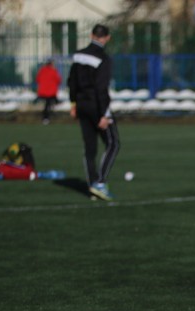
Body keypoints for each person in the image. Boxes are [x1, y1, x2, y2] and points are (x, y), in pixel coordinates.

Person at [68, 24, 120, 201]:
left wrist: (73, 103)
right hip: (96, 105)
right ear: (107, 38)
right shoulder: (103, 58)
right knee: (113, 144)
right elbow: (101, 88)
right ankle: (100, 183)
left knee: (90, 148)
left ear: (91, 35)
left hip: (81, 104)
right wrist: (104, 114)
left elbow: (72, 81)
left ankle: (92, 188)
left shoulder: (78, 55)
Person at [35, 59, 62, 125]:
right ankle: (46, 118)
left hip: (42, 91)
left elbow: (37, 79)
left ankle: (46, 117)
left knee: (47, 104)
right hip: (50, 92)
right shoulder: (53, 71)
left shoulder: (42, 70)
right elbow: (58, 80)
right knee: (48, 104)